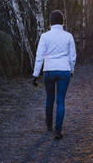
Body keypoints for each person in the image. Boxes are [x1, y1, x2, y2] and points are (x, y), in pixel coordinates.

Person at [32, 10, 77, 139]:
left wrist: (35, 74)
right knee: (61, 101)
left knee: (49, 99)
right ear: (62, 22)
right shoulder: (68, 36)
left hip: (49, 70)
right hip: (64, 70)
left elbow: (39, 56)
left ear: (50, 22)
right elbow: (72, 56)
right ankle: (58, 130)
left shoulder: (45, 36)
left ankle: (48, 126)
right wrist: (71, 70)